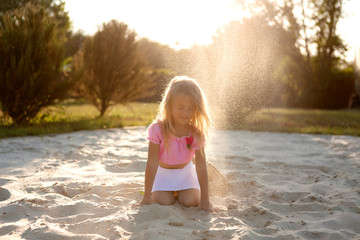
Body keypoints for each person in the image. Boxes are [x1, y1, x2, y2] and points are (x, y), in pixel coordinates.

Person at [140, 76, 214, 211]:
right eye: (180, 107)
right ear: (169, 105)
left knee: (190, 201)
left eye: (190, 108)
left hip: (186, 172)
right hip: (163, 173)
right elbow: (151, 162)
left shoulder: (196, 133)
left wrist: (205, 201)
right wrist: (146, 195)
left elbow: (201, 165)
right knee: (164, 201)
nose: (185, 113)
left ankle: (196, 185)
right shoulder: (157, 129)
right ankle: (170, 192)